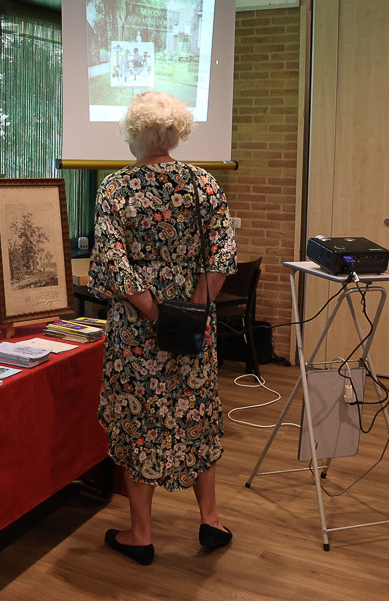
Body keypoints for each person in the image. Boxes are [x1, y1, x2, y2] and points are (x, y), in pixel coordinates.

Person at [87, 90, 238, 566]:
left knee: (139, 419)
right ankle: (211, 520)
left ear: (135, 134)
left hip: (138, 325)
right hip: (193, 321)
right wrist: (193, 311)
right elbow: (223, 256)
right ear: (176, 133)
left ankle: (141, 534)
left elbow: (112, 260)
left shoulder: (116, 187)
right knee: (196, 410)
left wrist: (156, 314)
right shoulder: (204, 183)